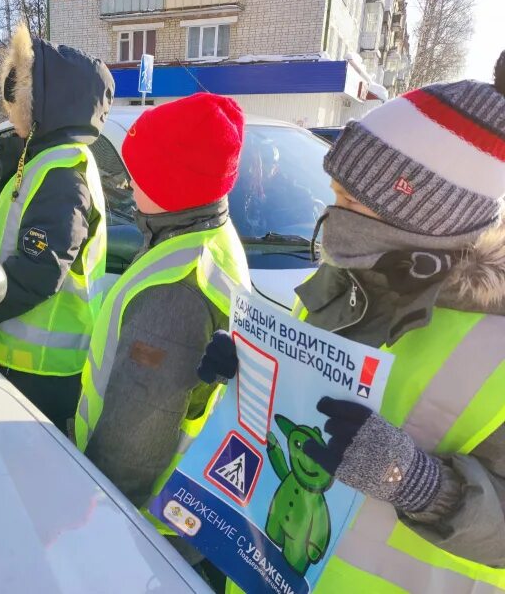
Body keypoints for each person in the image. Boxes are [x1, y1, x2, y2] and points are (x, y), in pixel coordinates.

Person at [200, 63, 505, 592]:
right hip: (265, 568)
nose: (332, 215)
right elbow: (303, 407)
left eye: (352, 202)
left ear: (425, 215)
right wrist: (250, 374)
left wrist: (421, 486)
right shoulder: (346, 278)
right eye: (335, 194)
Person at [72, 93, 250, 586]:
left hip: (142, 522)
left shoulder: (175, 291)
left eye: (140, 176)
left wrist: (99, 514)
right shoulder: (212, 231)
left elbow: (137, 434)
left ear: (174, 187)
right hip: (180, 514)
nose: (129, 185)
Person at [0, 25, 114, 432]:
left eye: (20, 86)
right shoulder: (45, 157)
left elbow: (38, 272)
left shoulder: (63, 171)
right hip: (20, 360)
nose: (10, 99)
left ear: (48, 99)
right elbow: (12, 235)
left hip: (37, 372)